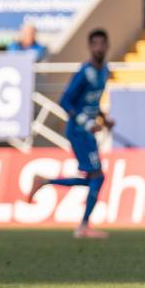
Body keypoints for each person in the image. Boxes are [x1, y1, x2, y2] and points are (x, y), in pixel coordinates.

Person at [27, 29, 113, 239]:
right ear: (90, 47)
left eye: (102, 43)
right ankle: (82, 227)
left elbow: (92, 101)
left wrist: (103, 118)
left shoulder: (105, 71)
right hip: (77, 131)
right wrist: (86, 121)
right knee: (97, 177)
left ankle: (45, 182)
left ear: (107, 46)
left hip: (88, 131)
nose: (99, 48)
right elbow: (65, 101)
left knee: (94, 179)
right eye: (95, 44)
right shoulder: (85, 72)